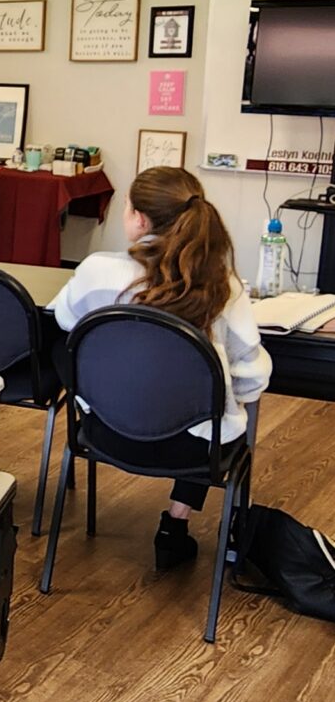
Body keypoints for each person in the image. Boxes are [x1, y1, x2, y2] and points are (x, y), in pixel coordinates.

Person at [51, 165, 271, 573]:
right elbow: (252, 375)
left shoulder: (97, 270)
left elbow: (65, 321)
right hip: (193, 452)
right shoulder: (224, 286)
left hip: (103, 434)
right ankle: (176, 522)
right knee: (211, 407)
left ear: (138, 218)